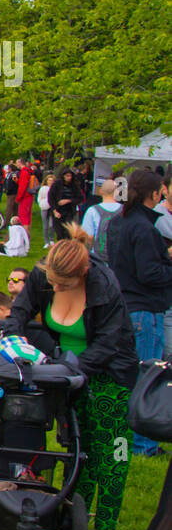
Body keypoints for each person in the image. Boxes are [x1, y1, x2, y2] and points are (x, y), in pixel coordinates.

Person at [2, 225, 140, 530]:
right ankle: (70, 518)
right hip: (65, 371)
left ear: (83, 273)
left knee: (110, 456)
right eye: (52, 282)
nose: (55, 288)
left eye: (63, 285)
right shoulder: (43, 275)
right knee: (79, 451)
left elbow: (109, 343)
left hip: (110, 374)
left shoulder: (105, 287)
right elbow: (20, 313)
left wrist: (74, 369)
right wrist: (14, 344)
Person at [106, 169, 172, 457]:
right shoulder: (143, 228)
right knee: (146, 375)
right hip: (144, 308)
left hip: (126, 304)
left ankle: (132, 438)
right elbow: (149, 273)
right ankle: (144, 444)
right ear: (155, 194)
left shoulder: (118, 222)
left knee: (131, 374)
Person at [81, 178, 123, 263]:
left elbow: (88, 236)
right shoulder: (125, 210)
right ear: (117, 192)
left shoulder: (92, 210)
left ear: (100, 191)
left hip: (98, 257)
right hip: (120, 257)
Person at [49, 168, 85, 243]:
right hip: (58, 210)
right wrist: (55, 210)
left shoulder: (74, 185)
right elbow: (51, 197)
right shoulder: (57, 184)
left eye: (70, 176)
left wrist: (68, 201)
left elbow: (80, 198)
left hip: (69, 210)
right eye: (67, 176)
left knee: (68, 231)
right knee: (59, 231)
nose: (69, 178)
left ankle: (67, 244)